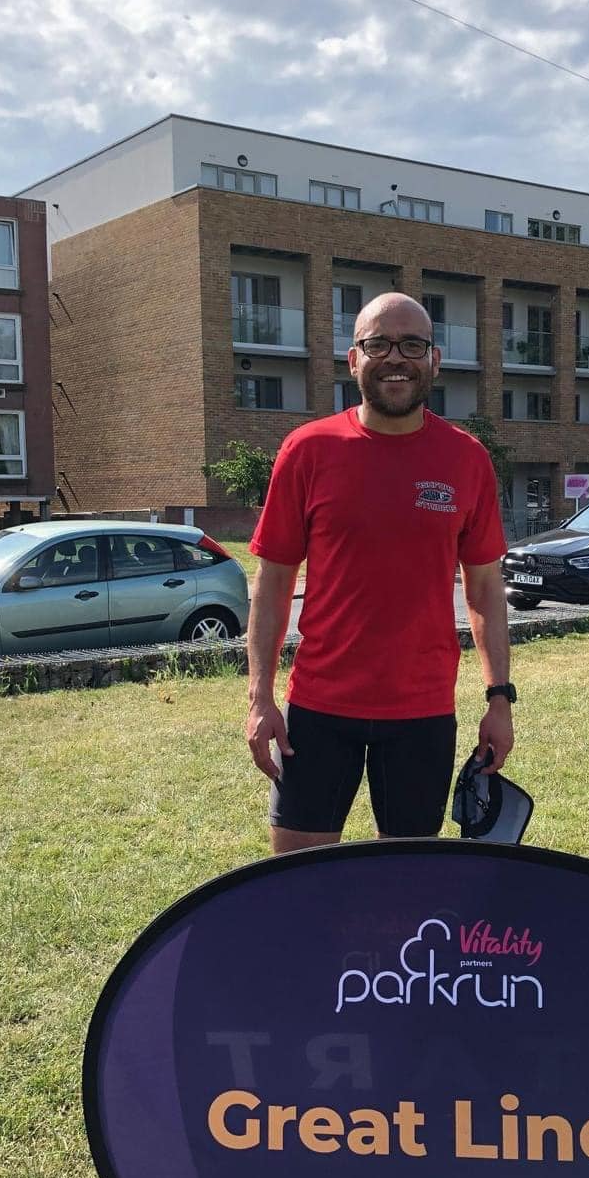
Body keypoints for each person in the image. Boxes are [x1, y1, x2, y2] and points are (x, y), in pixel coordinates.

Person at [245, 291, 514, 852]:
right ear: (353, 360)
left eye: (412, 345)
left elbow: (485, 588)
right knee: (297, 875)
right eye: (378, 344)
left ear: (434, 360)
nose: (396, 358)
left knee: (404, 879)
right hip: (319, 707)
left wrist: (499, 698)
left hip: (422, 710)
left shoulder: (466, 459)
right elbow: (272, 584)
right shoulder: (307, 450)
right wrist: (260, 697)